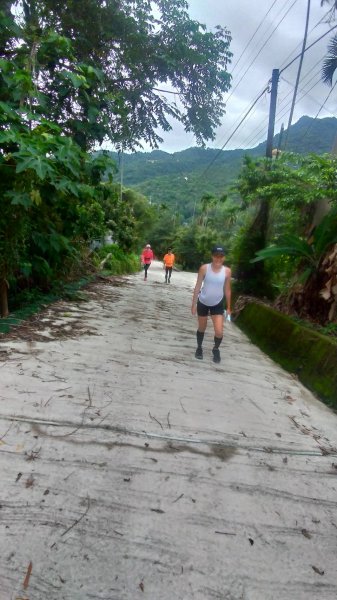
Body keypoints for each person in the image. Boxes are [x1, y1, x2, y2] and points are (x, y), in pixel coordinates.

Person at [191, 245, 231, 363]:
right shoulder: (204, 268)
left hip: (217, 303)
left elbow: (227, 289)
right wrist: (193, 304)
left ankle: (216, 349)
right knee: (202, 327)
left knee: (219, 331)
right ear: (212, 256)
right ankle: (199, 348)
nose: (218, 259)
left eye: (221, 256)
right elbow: (198, 286)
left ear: (224, 257)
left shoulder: (227, 271)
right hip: (203, 301)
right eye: (216, 256)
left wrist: (229, 307)